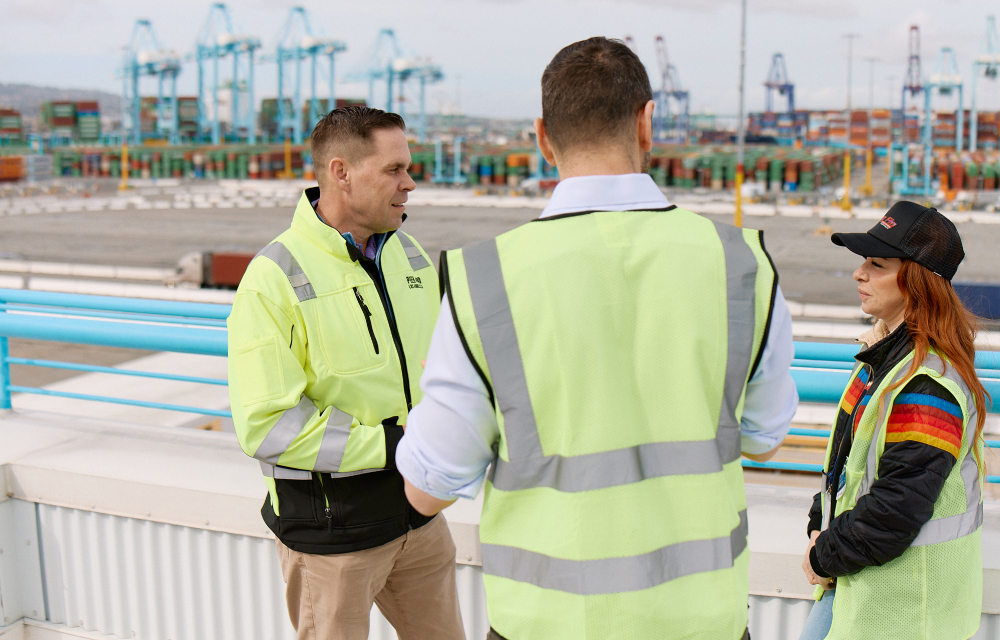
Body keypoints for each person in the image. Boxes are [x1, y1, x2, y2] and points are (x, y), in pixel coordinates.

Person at [395, 37, 799, 640]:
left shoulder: (486, 279)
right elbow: (764, 438)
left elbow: (428, 488)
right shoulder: (741, 265)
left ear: (542, 136)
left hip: (548, 625)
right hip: (701, 622)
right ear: (647, 122)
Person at [227, 106, 464, 640]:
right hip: (332, 536)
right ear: (341, 173)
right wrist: (396, 444)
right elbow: (267, 426)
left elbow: (436, 364)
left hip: (419, 518)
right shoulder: (272, 278)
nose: (409, 183)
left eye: (408, 168)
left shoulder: (409, 254)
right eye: (394, 169)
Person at [798, 201, 988, 640]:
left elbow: (898, 507)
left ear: (916, 280)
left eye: (877, 264)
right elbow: (848, 469)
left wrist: (823, 555)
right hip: (859, 590)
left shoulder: (926, 384)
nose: (858, 273)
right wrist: (818, 526)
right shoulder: (884, 359)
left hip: (901, 612)